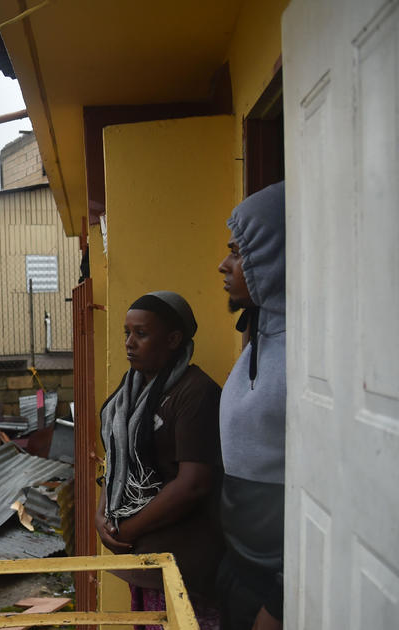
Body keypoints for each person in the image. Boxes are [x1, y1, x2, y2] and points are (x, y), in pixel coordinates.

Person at [96, 290, 224, 629]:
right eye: (127, 332)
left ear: (173, 339)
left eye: (141, 333)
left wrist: (125, 528)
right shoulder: (128, 393)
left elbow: (193, 484)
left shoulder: (196, 393)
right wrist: (102, 514)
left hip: (183, 565)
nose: (129, 343)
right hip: (143, 562)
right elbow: (116, 462)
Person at [215, 182, 285, 630]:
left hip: (274, 587)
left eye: (238, 252)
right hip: (240, 565)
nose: (223, 265)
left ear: (275, 256)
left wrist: (281, 603)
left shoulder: (313, 358)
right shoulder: (261, 336)